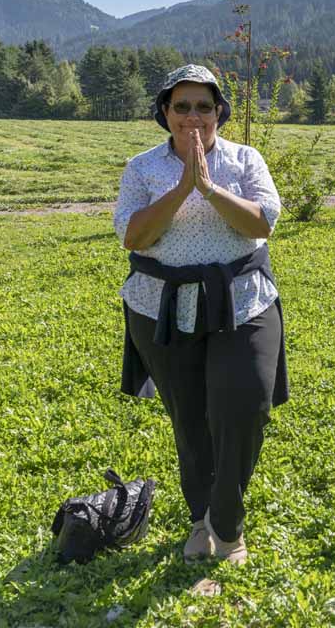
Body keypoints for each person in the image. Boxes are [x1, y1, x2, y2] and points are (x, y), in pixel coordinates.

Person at [113, 64, 287, 565]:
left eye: (204, 107)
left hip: (242, 301)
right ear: (164, 112)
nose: (193, 117)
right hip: (162, 309)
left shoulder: (245, 160)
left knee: (245, 404)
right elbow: (135, 237)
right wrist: (182, 187)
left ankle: (227, 522)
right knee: (189, 419)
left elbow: (262, 222)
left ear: (219, 113)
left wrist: (209, 188)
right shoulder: (141, 168)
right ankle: (200, 520)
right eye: (182, 106)